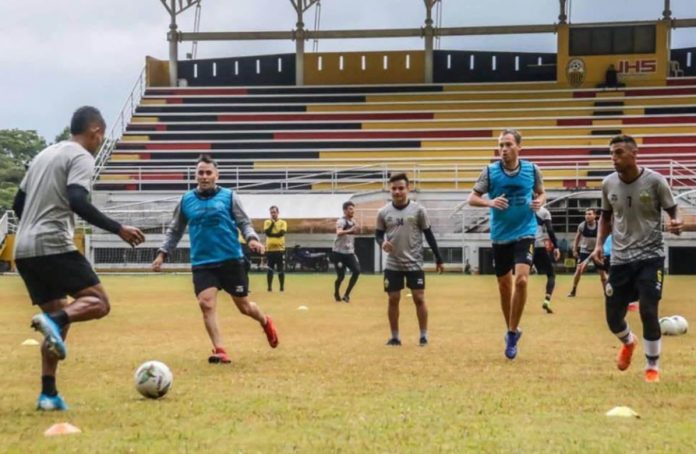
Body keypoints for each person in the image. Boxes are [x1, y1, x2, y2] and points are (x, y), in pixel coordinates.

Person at [12, 106, 145, 411]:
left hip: (25, 248)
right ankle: (52, 322)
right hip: (54, 243)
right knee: (99, 303)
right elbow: (76, 200)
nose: (101, 143)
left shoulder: (44, 155)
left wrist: (34, 223)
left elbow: (19, 203)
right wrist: (118, 228)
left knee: (60, 316)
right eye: (102, 136)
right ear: (95, 131)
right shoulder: (81, 156)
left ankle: (48, 393)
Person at [152, 154, 278, 364]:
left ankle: (265, 321)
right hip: (203, 262)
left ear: (216, 175)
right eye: (200, 172)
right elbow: (175, 230)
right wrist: (162, 253)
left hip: (231, 259)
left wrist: (252, 239)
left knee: (244, 306)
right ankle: (220, 350)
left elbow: (244, 222)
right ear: (195, 175)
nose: (204, 176)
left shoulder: (229, 197)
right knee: (206, 303)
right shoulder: (186, 200)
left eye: (208, 172)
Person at [590, 134, 682, 383]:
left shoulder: (655, 181)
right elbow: (606, 217)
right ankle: (629, 342)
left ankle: (652, 366)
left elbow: (672, 208)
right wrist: (599, 244)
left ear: (634, 153)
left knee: (649, 310)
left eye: (619, 152)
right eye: (611, 153)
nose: (614, 158)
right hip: (620, 259)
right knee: (613, 317)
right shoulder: (608, 184)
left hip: (650, 257)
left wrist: (674, 220)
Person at [467, 128, 545, 360]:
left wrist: (539, 202)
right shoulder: (490, 172)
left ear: (519, 147)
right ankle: (512, 328)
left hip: (526, 232)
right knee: (504, 285)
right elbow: (472, 198)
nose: (503, 149)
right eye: (501, 145)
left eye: (508, 144)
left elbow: (542, 193)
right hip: (501, 235)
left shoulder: (532, 169)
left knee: (521, 280)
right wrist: (490, 202)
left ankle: (511, 334)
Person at [376, 173, 444, 347]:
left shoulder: (419, 210)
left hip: (414, 262)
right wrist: (382, 242)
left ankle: (423, 335)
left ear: (408, 189)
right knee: (393, 298)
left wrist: (438, 257)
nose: (397, 192)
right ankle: (395, 337)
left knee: (419, 298)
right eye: (394, 188)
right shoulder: (383, 212)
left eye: (401, 188)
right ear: (389, 190)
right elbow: (378, 235)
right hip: (393, 263)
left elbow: (428, 234)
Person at [332, 201, 361, 303]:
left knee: (357, 271)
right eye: (350, 209)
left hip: (349, 252)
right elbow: (339, 232)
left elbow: (354, 232)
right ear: (344, 210)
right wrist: (350, 230)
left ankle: (347, 295)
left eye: (353, 209)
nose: (352, 211)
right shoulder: (341, 221)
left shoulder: (353, 222)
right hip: (339, 253)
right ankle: (336, 293)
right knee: (341, 276)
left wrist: (356, 229)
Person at [533, 206, 561, 314]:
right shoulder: (544, 211)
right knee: (551, 274)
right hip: (539, 246)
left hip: (524, 245)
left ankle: (514, 301)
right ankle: (547, 300)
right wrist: (556, 247)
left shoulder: (522, 208)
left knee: (520, 275)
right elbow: (550, 229)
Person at [567, 208, 599, 297]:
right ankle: (573, 290)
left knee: (603, 274)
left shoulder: (600, 225)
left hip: (596, 251)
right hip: (584, 251)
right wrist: (574, 249)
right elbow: (577, 238)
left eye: (589, 214)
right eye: (586, 214)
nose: (587, 216)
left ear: (595, 216)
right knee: (579, 270)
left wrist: (603, 249)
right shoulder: (582, 226)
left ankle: (607, 293)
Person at [264, 206, 287, 292]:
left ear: (278, 212)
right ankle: (269, 287)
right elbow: (267, 233)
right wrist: (272, 224)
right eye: (271, 212)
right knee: (270, 268)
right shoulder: (267, 222)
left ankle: (281, 287)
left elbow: (281, 233)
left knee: (280, 268)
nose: (273, 214)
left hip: (280, 249)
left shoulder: (283, 222)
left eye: (274, 212)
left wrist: (272, 234)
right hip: (270, 250)